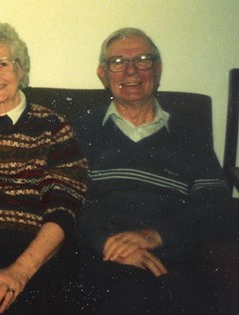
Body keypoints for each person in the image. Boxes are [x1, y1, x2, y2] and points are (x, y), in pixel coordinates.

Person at [73, 27, 237, 314]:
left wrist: (155, 235)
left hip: (172, 260)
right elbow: (67, 198)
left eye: (143, 59)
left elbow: (217, 207)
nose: (131, 71)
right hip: (102, 257)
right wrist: (107, 242)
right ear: (102, 73)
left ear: (158, 69)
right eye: (118, 62)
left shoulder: (191, 135)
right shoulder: (80, 129)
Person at [0, 22, 88, 314]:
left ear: (22, 70)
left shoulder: (53, 125)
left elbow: (64, 209)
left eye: (3, 64)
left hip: (37, 247)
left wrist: (21, 270)